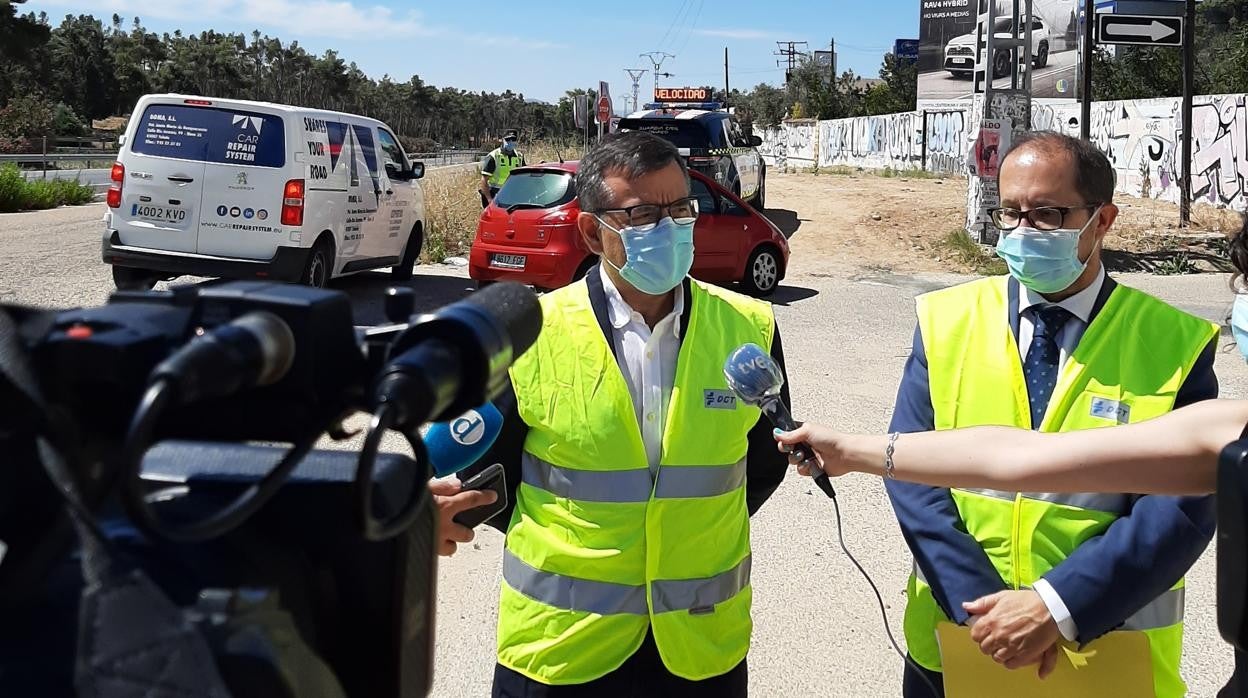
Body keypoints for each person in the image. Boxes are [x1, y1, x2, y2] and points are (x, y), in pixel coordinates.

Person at [433, 130, 791, 697]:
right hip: (563, 649)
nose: (668, 228)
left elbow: (764, 463)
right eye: (643, 214)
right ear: (592, 232)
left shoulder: (748, 328)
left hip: (699, 650)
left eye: (680, 209)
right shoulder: (532, 333)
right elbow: (485, 466)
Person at [883, 130, 1220, 698]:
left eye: (1046, 214)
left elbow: (1180, 508)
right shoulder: (946, 320)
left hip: (1106, 655)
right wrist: (986, 619)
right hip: (961, 648)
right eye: (1009, 213)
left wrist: (1053, 608)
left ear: (1103, 220)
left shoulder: (1173, 342)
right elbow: (914, 476)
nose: (1021, 231)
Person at [480, 129, 525, 207]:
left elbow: (525, 172)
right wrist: (489, 200)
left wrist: (538, 165)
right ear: (503, 140)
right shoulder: (494, 156)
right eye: (508, 139)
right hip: (496, 195)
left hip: (513, 195)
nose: (510, 142)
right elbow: (484, 180)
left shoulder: (519, 156)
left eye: (513, 139)